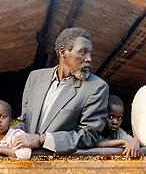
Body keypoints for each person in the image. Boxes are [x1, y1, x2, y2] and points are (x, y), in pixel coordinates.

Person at [13, 27, 108, 155]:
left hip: (61, 168)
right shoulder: (35, 78)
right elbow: (24, 123)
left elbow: (87, 137)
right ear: (63, 52)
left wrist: (41, 139)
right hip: (25, 165)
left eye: (90, 53)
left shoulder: (96, 87)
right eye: (83, 52)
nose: (89, 59)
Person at [96, 95, 143, 159]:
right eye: (111, 117)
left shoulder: (118, 132)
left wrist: (136, 140)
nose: (115, 122)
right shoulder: (95, 128)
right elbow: (94, 143)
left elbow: (130, 140)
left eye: (119, 118)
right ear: (103, 115)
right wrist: (122, 141)